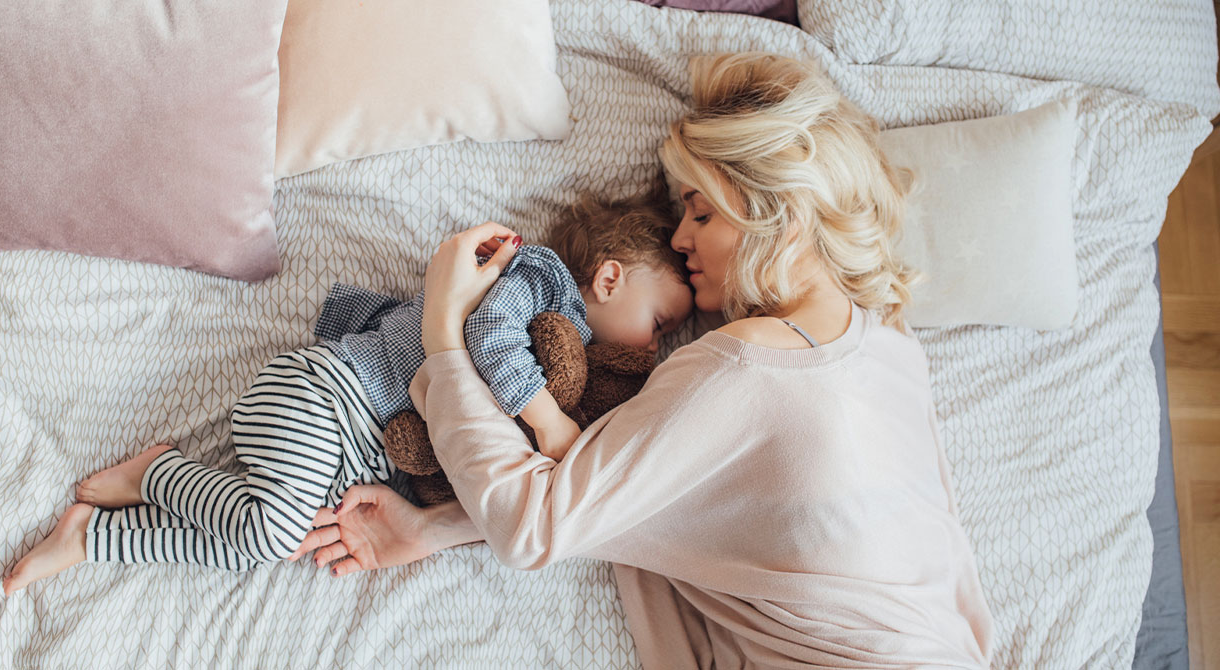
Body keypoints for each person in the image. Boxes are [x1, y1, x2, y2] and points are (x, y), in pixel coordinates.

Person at [292, 52, 995, 668]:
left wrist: (444, 334)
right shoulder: (897, 349)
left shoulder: (744, 367)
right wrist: (429, 528)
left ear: (783, 213)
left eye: (702, 213)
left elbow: (537, 523)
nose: (682, 241)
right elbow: (632, 497)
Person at [0, 194, 693, 595]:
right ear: (608, 278)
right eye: (660, 322)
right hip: (331, 397)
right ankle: (155, 471)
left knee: (266, 541)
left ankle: (96, 538)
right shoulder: (541, 281)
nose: (653, 346)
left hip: (350, 459)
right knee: (269, 532)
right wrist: (546, 422)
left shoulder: (582, 381)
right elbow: (484, 334)